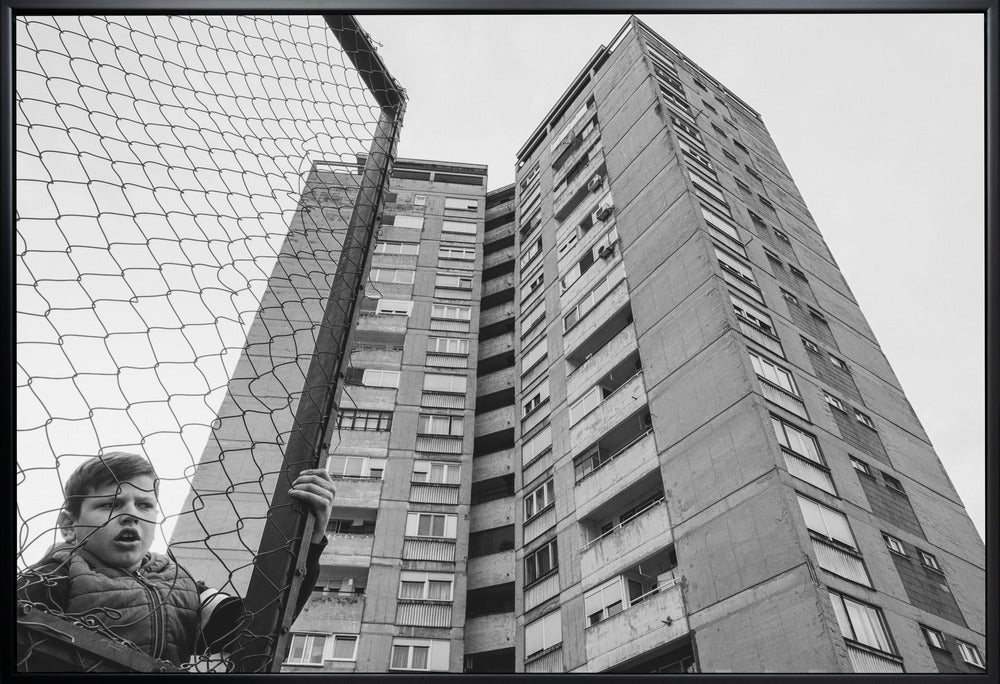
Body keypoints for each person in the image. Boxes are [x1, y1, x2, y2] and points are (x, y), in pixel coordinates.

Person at [16, 451, 335, 672]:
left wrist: (309, 542)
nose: (131, 515)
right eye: (111, 505)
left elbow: (256, 626)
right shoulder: (55, 574)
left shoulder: (179, 584)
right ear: (69, 525)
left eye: (144, 505)